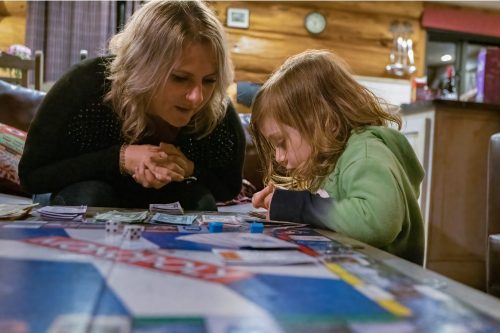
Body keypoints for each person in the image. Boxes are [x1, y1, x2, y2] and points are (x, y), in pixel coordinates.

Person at [19, 0, 245, 211]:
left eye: (209, 80)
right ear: (143, 67)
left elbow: (228, 187)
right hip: (82, 192)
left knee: (200, 201)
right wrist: (120, 158)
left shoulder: (215, 107)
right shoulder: (85, 84)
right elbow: (32, 176)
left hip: (162, 198)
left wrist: (189, 169)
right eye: (179, 78)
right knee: (92, 196)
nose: (197, 97)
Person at [250, 50, 424, 264]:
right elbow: (335, 205)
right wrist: (284, 201)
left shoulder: (366, 154)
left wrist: (298, 207)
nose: (278, 157)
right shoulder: (333, 158)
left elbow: (378, 221)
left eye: (281, 142)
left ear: (324, 121)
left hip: (387, 286)